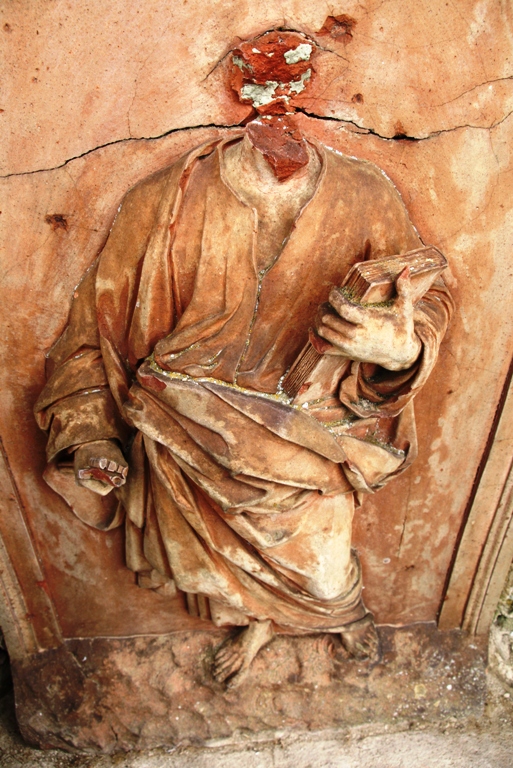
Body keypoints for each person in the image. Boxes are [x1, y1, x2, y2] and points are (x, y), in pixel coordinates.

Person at [35, 31, 453, 688]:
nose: (277, 102)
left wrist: (399, 349)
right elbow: (92, 334)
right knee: (211, 571)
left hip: (312, 431)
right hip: (186, 426)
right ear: (235, 90)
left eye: (292, 82)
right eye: (259, 83)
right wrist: (91, 435)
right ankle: (255, 621)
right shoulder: (161, 202)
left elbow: (428, 297)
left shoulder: (365, 192)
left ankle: (339, 613)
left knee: (322, 566)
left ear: (311, 89)